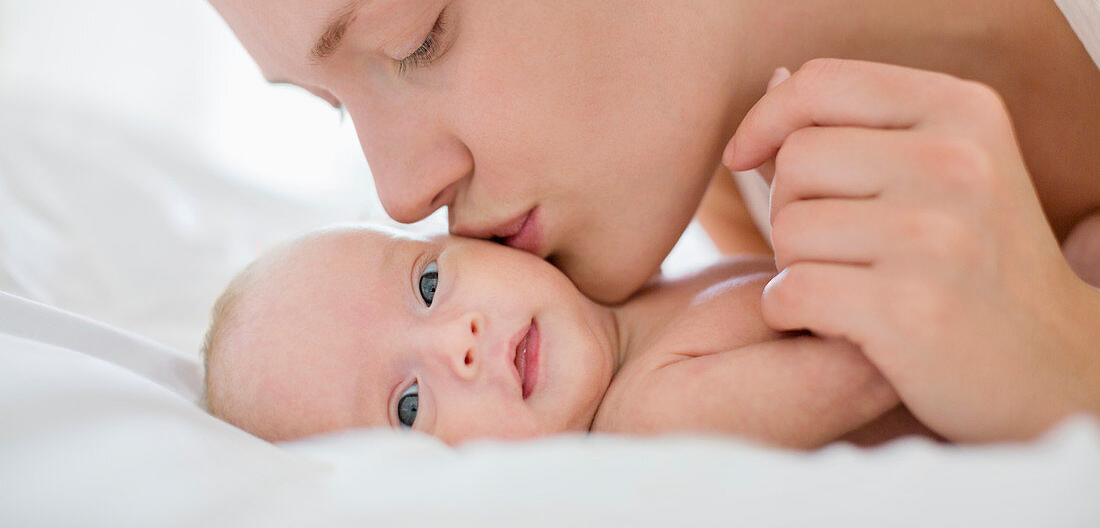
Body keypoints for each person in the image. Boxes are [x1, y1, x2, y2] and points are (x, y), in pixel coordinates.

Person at [107, 0, 1100, 443]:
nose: (401, 193)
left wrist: (1070, 359)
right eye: (334, 110)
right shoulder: (732, 173)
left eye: (416, 41)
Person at [203, 224, 929, 447]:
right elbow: (883, 356)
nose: (460, 339)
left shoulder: (638, 285)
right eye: (408, 405)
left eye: (428, 283)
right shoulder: (654, 410)